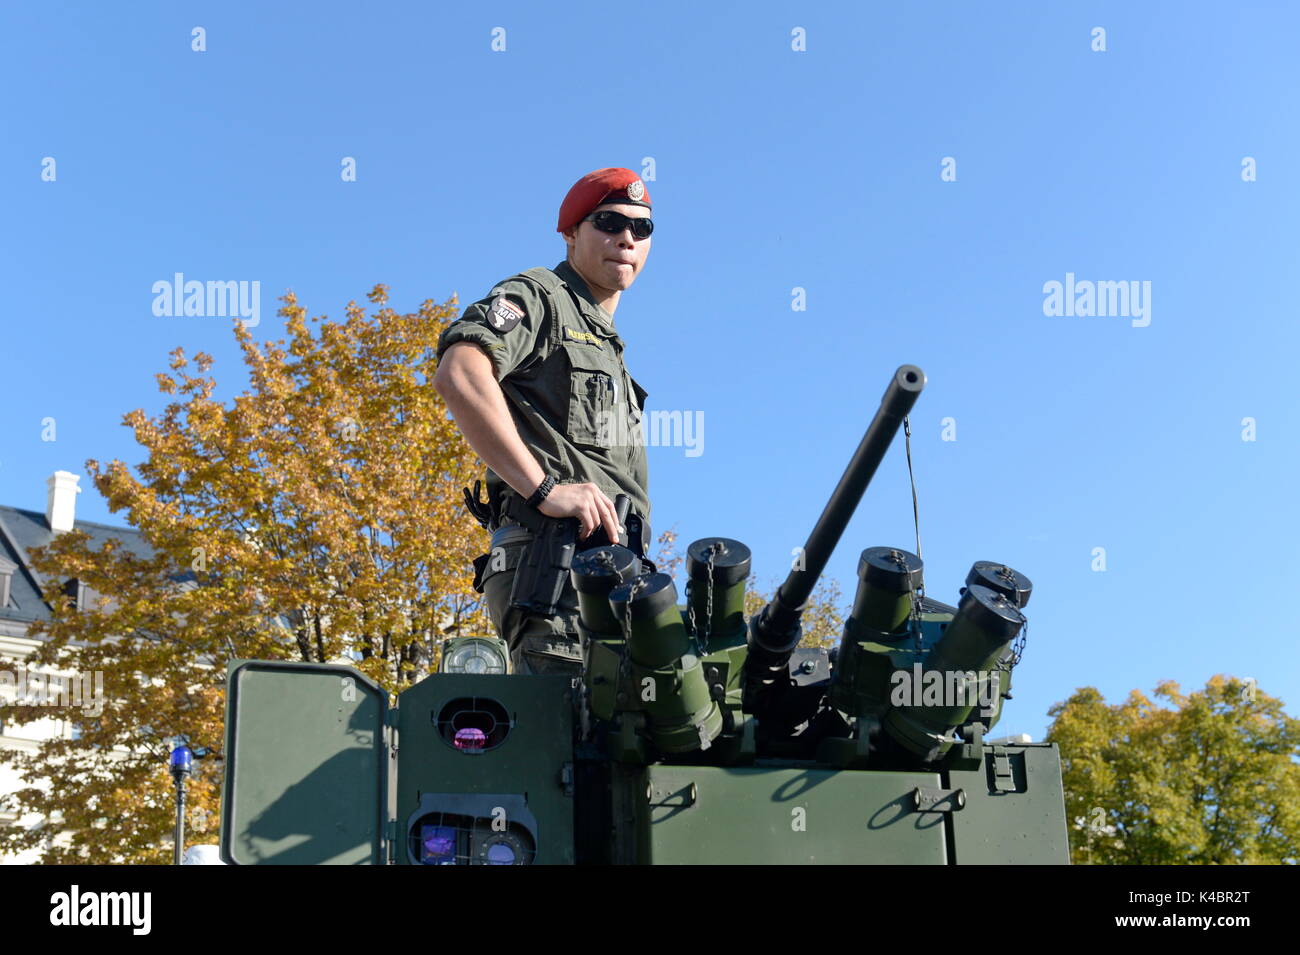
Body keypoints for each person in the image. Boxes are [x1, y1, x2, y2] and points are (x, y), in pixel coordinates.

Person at [433, 167, 654, 676]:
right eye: (609, 222)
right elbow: (461, 373)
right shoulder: (542, 295)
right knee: (565, 748)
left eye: (641, 229)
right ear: (571, 234)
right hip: (555, 574)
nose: (626, 238)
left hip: (611, 580)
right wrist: (544, 489)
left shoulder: (605, 341)